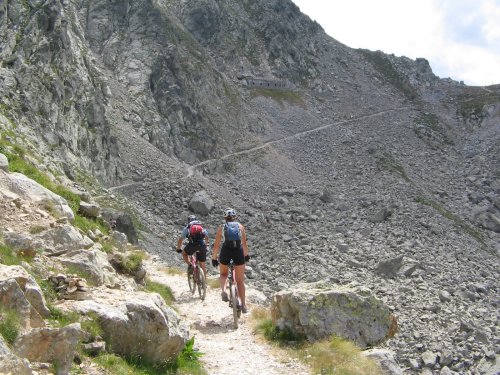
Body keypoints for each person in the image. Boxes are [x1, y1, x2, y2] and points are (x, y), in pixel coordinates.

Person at [211, 208, 250, 313]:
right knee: (240, 281)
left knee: (223, 274)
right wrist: (246, 255)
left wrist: (214, 258)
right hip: (238, 252)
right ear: (235, 217)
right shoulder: (240, 227)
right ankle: (244, 305)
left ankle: (223, 291)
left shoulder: (222, 228)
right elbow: (244, 244)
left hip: (225, 252)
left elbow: (216, 246)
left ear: (225, 218)